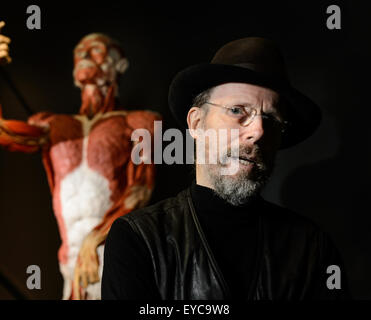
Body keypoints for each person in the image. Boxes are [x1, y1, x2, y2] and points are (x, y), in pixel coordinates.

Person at [101, 37, 350, 300]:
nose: (257, 131)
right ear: (197, 123)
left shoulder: (312, 249)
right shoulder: (139, 240)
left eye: (271, 119)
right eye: (236, 110)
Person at [0, 21, 160, 299]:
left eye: (96, 50)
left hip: (111, 251)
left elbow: (141, 189)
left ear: (120, 64)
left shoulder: (141, 122)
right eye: (80, 52)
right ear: (73, 74)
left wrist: (96, 239)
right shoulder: (52, 126)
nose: (85, 55)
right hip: (70, 260)